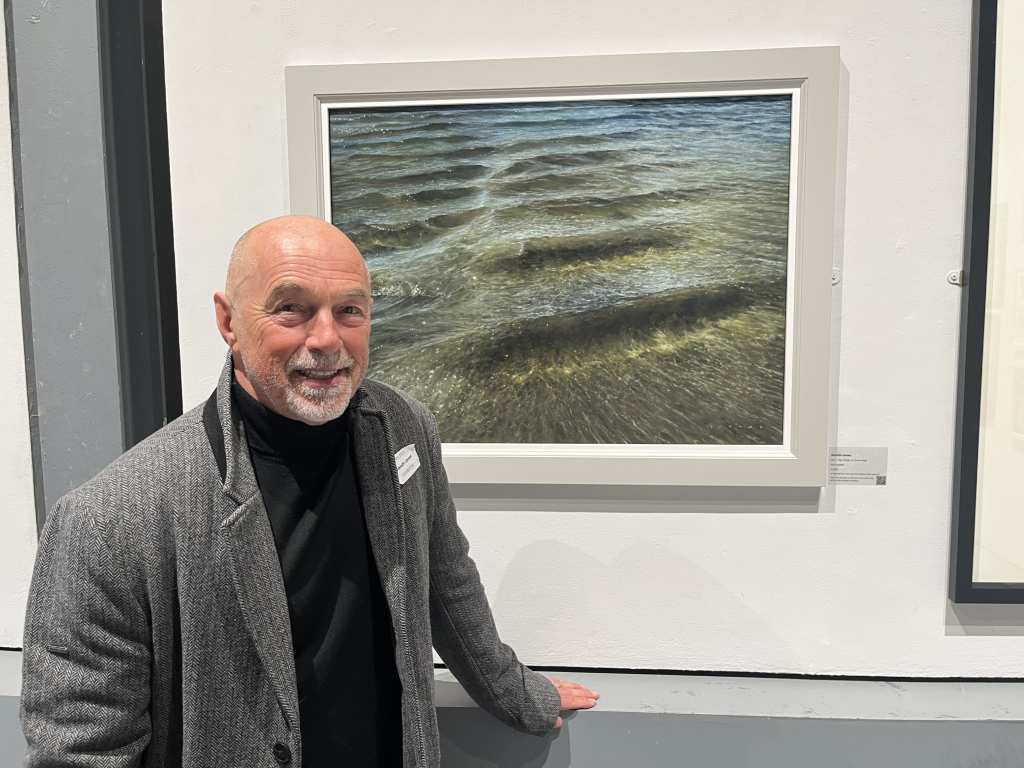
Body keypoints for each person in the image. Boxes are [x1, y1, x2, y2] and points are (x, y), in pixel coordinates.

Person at [20, 215, 599, 767]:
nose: (327, 339)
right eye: (291, 310)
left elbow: (444, 576)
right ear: (228, 322)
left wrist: (519, 695)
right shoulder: (108, 521)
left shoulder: (403, 428)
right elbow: (81, 750)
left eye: (350, 310)